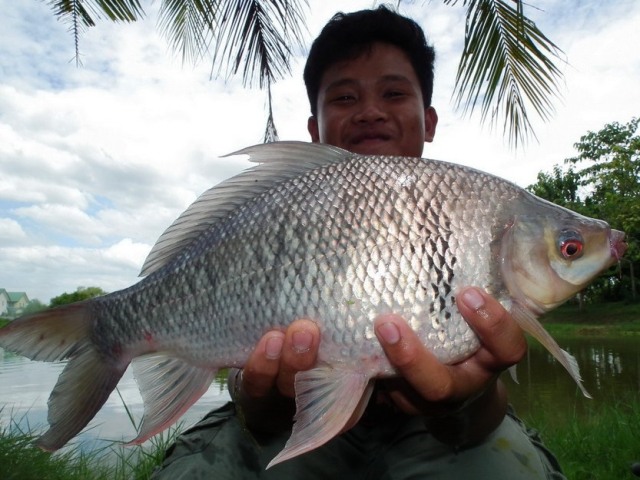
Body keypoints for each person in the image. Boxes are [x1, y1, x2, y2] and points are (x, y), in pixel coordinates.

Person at [152, 6, 565, 479]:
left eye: (393, 92)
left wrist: (467, 399)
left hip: (433, 434)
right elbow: (254, 402)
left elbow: (479, 413)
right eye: (345, 97)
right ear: (314, 130)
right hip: (287, 424)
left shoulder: (469, 215)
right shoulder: (280, 208)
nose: (370, 111)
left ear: (429, 120)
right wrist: (259, 401)